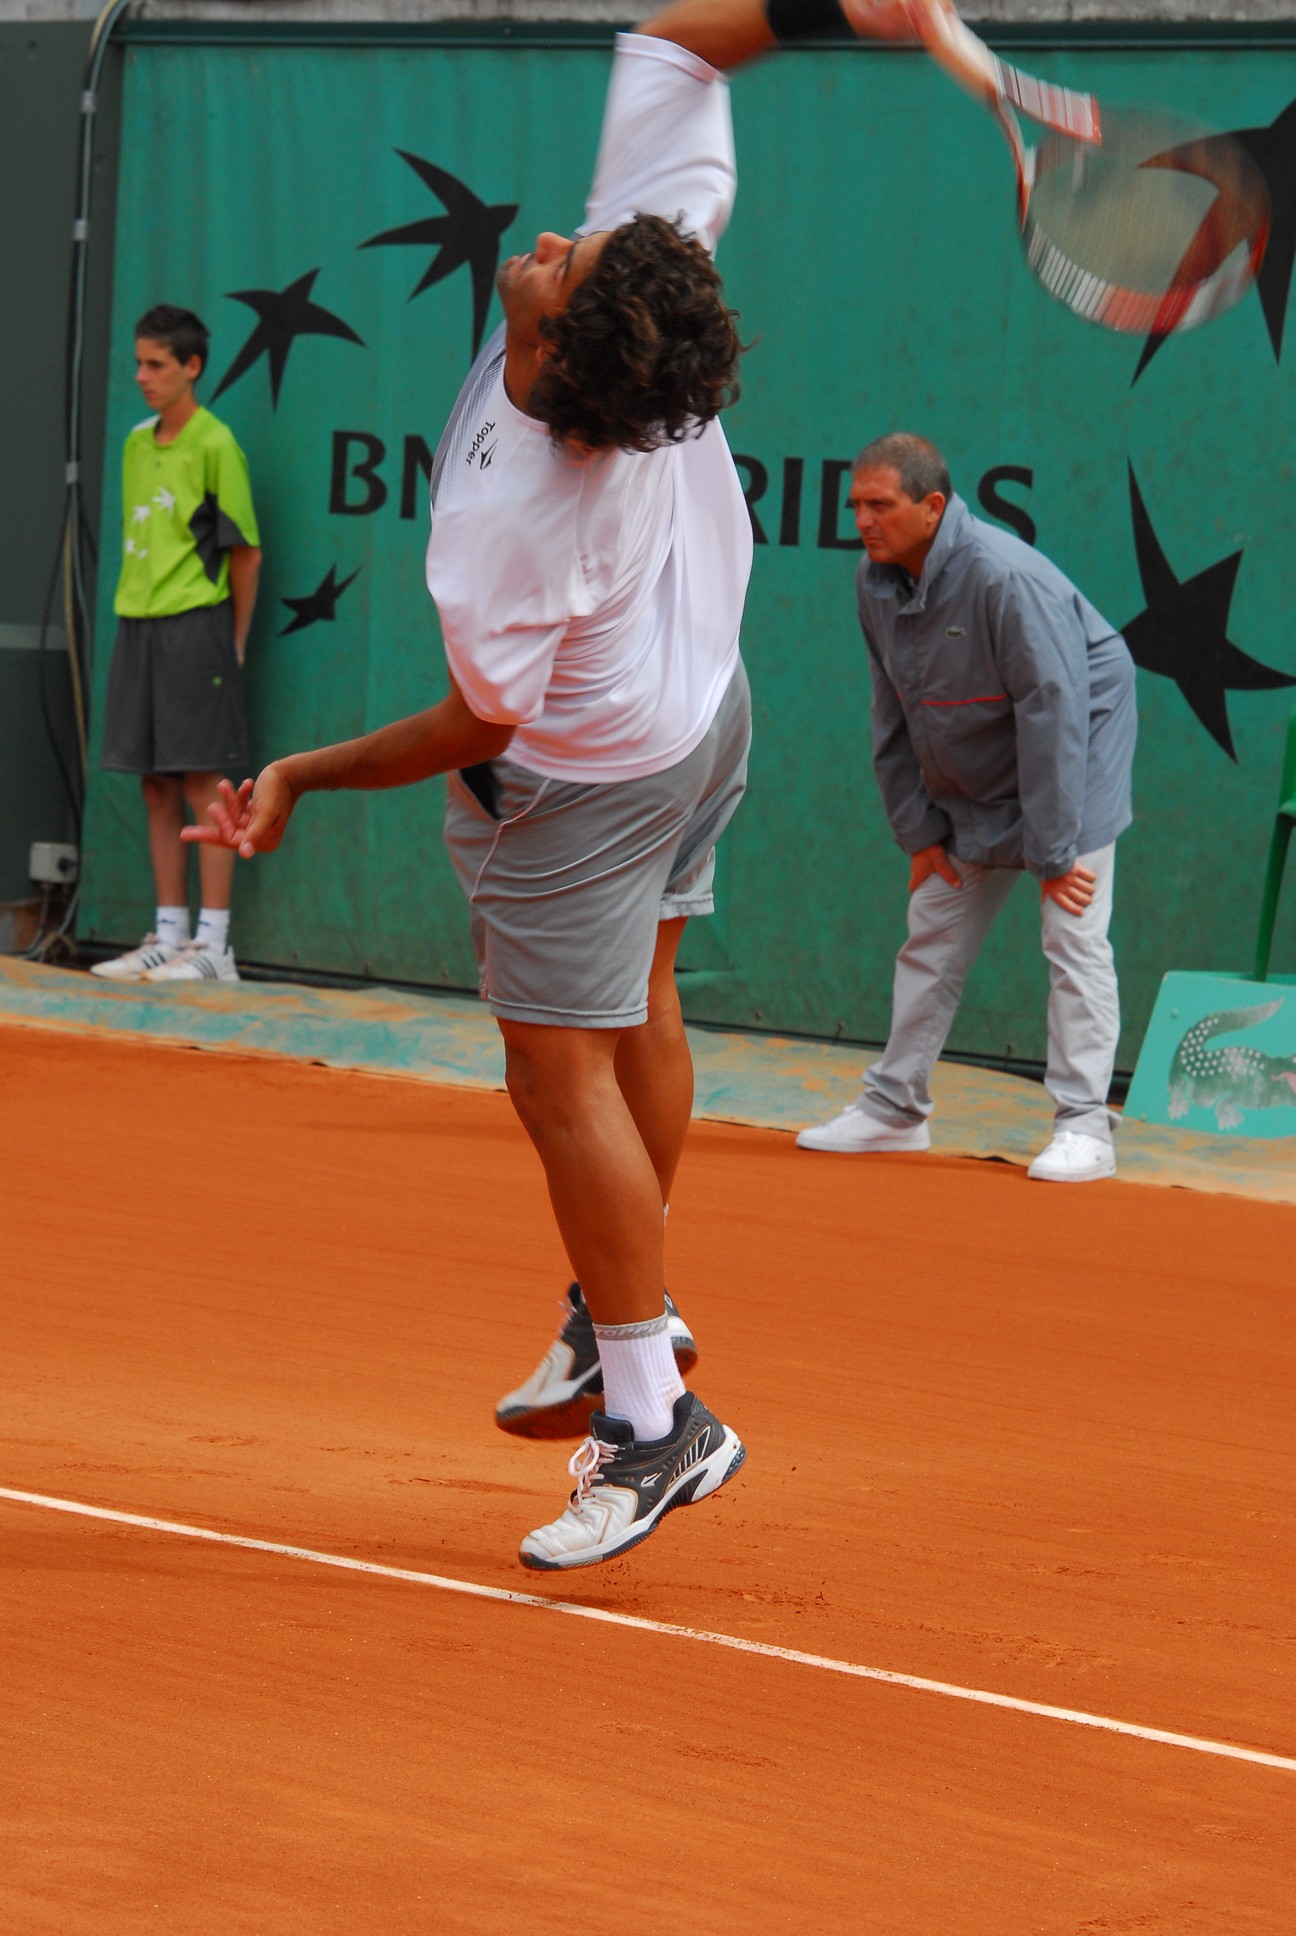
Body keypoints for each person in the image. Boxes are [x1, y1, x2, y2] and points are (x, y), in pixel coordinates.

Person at [186, 0, 926, 1567]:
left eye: (563, 263)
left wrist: (306, 770)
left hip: (580, 786)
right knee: (643, 1009)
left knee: (554, 1077)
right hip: (705, 718)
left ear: (558, 348)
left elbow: (477, 725)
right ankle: (612, 1317)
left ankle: (657, 1416)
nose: (545, 240)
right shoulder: (638, 331)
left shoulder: (508, 525)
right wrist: (839, 9)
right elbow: (673, 43)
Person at [797, 433, 1137, 1182]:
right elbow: (892, 707)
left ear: (933, 506)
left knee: (1072, 934)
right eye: (855, 505)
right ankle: (894, 1109)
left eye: (880, 505)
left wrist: (1053, 851)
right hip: (983, 761)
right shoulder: (875, 581)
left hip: (1075, 748)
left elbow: (1054, 709)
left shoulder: (1002, 578)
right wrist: (920, 830)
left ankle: (1085, 1126)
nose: (862, 520)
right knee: (933, 928)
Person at [92, 305, 261, 985]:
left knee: (203, 785)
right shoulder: (136, 444)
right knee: (156, 784)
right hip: (138, 624)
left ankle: (215, 946)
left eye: (156, 364)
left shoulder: (217, 444)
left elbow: (244, 553)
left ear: (192, 367)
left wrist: (235, 641)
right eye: (138, 362)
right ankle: (168, 933)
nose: (142, 376)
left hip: (198, 626)